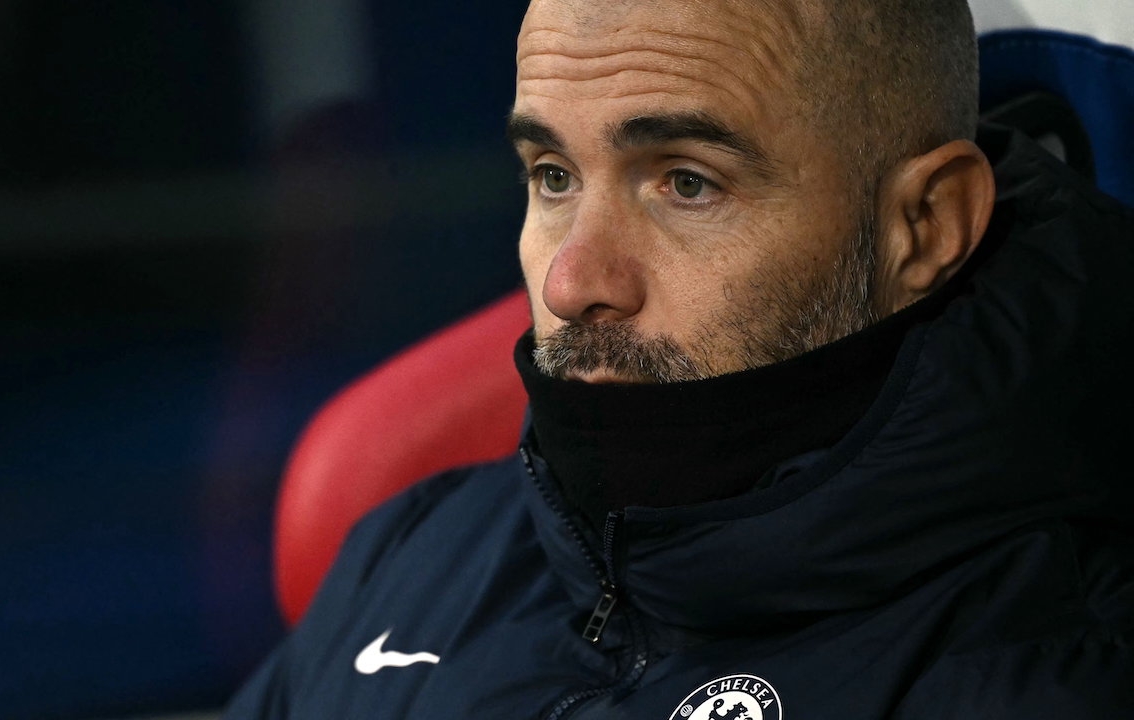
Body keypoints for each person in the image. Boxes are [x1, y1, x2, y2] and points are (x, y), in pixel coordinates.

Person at [226, 0, 1134, 717]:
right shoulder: (415, 549)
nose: (572, 282)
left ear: (926, 224)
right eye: (552, 176)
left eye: (686, 183)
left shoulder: (1057, 665)